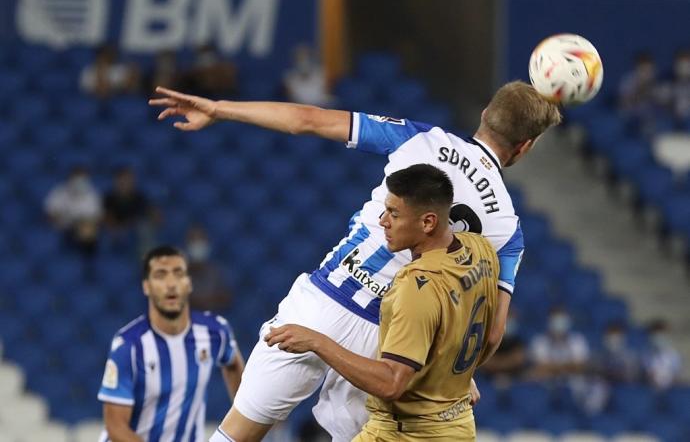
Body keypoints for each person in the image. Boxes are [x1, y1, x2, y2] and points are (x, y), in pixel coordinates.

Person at [149, 80, 561, 441]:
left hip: (321, 302)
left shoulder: (421, 140)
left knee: (237, 431)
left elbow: (307, 120)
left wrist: (219, 109)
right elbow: (490, 334)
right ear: (524, 147)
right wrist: (459, 373)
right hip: (387, 344)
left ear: (485, 114)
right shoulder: (508, 230)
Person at [261, 164, 499, 442]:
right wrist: (456, 379)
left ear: (428, 222)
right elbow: (484, 332)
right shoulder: (480, 250)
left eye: (394, 214)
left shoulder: (417, 287)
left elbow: (391, 383)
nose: (383, 220)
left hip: (407, 433)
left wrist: (317, 341)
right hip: (457, 425)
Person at [97, 245, 244, 441]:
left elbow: (233, 364)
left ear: (189, 283)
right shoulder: (128, 346)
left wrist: (246, 416)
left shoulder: (215, 332)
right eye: (160, 275)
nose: (171, 283)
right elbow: (115, 426)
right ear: (146, 286)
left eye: (178, 273)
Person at [44, 166, 103, 256]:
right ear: (70, 178)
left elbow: (96, 218)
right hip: (62, 227)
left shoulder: (93, 196)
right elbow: (49, 213)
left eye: (83, 179)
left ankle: (87, 258)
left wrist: (81, 223)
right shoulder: (59, 192)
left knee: (88, 231)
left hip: (81, 229)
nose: (79, 182)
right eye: (77, 178)